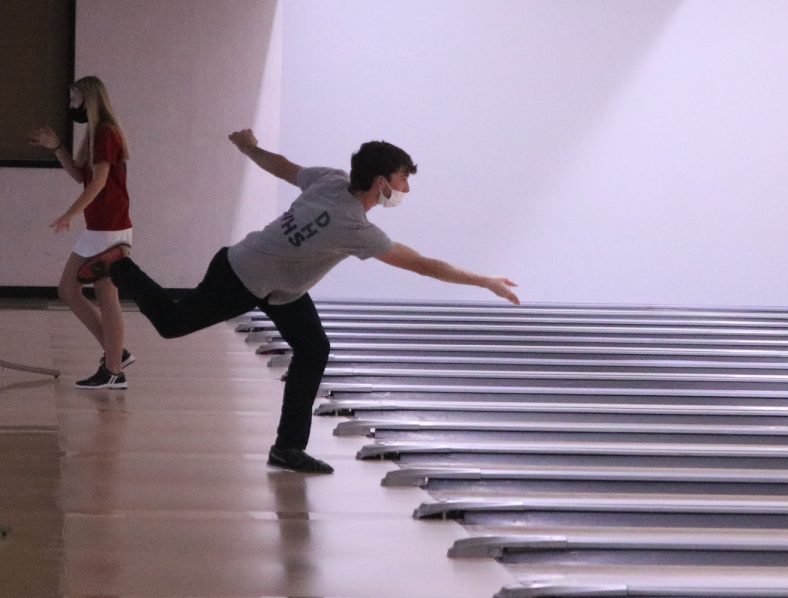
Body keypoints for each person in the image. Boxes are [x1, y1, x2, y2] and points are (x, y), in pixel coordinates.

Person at [92, 129, 519, 473]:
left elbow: (284, 168)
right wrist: (485, 281)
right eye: (404, 178)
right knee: (171, 324)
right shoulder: (355, 226)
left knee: (314, 349)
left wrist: (250, 147)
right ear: (382, 182)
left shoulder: (332, 179)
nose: (407, 187)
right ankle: (121, 265)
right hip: (243, 273)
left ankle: (288, 449)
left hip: (282, 286)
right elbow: (423, 265)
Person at [29, 76, 134, 390]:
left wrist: (70, 214)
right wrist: (57, 147)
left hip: (108, 229)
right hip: (104, 227)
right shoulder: (94, 133)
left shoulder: (105, 133)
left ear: (89, 99)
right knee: (87, 294)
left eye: (75, 99)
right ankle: (116, 357)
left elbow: (99, 182)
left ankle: (115, 366)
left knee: (84, 293)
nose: (71, 105)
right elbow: (80, 175)